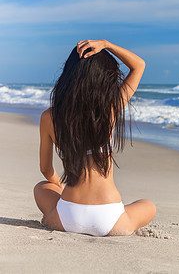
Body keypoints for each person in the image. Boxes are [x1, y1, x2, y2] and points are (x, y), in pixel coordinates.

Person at [33, 40, 156, 236]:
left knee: (41, 187)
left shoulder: (50, 117)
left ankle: (51, 217)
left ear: (69, 75)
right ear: (105, 77)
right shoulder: (111, 109)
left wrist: (59, 184)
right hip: (111, 219)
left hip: (67, 216)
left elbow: (46, 170)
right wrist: (107, 45)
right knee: (148, 205)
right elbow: (139, 65)